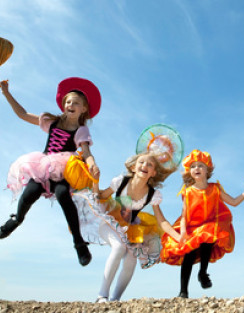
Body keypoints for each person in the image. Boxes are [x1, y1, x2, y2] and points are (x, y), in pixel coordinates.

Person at [0, 77, 101, 266]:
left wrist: (93, 164)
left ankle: (79, 243)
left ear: (84, 109)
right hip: (43, 165)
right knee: (30, 193)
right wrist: (6, 93)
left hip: (63, 169)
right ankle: (16, 220)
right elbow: (22, 114)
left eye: (76, 103)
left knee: (63, 193)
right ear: (64, 105)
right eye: (68, 101)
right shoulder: (52, 122)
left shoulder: (81, 130)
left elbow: (86, 152)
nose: (70, 104)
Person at [75, 152, 182, 302]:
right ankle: (102, 295)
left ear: (153, 173)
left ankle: (115, 300)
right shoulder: (120, 182)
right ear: (133, 167)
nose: (145, 165)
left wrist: (178, 237)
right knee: (118, 247)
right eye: (141, 162)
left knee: (132, 258)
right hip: (109, 223)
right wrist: (95, 181)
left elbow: (162, 221)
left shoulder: (153, 195)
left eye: (150, 164)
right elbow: (99, 196)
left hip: (131, 228)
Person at [160, 149, 244, 298]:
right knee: (189, 253)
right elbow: (185, 215)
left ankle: (202, 272)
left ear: (207, 170)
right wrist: (184, 232)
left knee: (208, 234)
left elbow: (235, 202)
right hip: (191, 227)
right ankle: (183, 291)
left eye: (200, 165)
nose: (196, 168)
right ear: (189, 171)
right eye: (192, 166)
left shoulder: (215, 188)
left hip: (209, 225)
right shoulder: (188, 191)